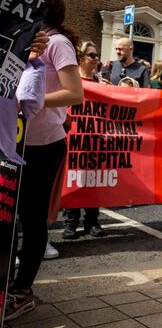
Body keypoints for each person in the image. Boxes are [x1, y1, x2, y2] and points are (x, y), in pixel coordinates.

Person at [5, 0, 84, 322]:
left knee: (31, 218)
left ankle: (22, 291)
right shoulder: (18, 41)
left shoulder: (58, 42)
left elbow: (74, 93)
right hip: (10, 141)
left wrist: (32, 102)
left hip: (41, 144)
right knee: (6, 218)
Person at [62, 41, 106, 240]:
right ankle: (70, 222)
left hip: (96, 140)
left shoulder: (101, 83)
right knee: (72, 180)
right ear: (80, 58)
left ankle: (92, 221)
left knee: (93, 182)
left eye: (97, 55)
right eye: (92, 55)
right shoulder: (71, 82)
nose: (96, 59)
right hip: (73, 139)